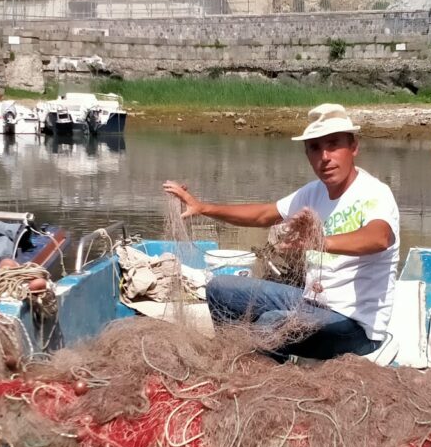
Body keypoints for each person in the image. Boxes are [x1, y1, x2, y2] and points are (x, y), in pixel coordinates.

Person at [163, 104, 399, 360]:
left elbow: (379, 237)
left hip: (355, 327)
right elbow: (264, 214)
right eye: (315, 148)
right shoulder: (313, 193)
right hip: (310, 303)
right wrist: (203, 207)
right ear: (307, 154)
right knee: (220, 289)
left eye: (334, 144)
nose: (325, 157)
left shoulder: (374, 192)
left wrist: (318, 242)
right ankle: (235, 360)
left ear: (353, 147)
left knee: (271, 323)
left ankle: (264, 376)